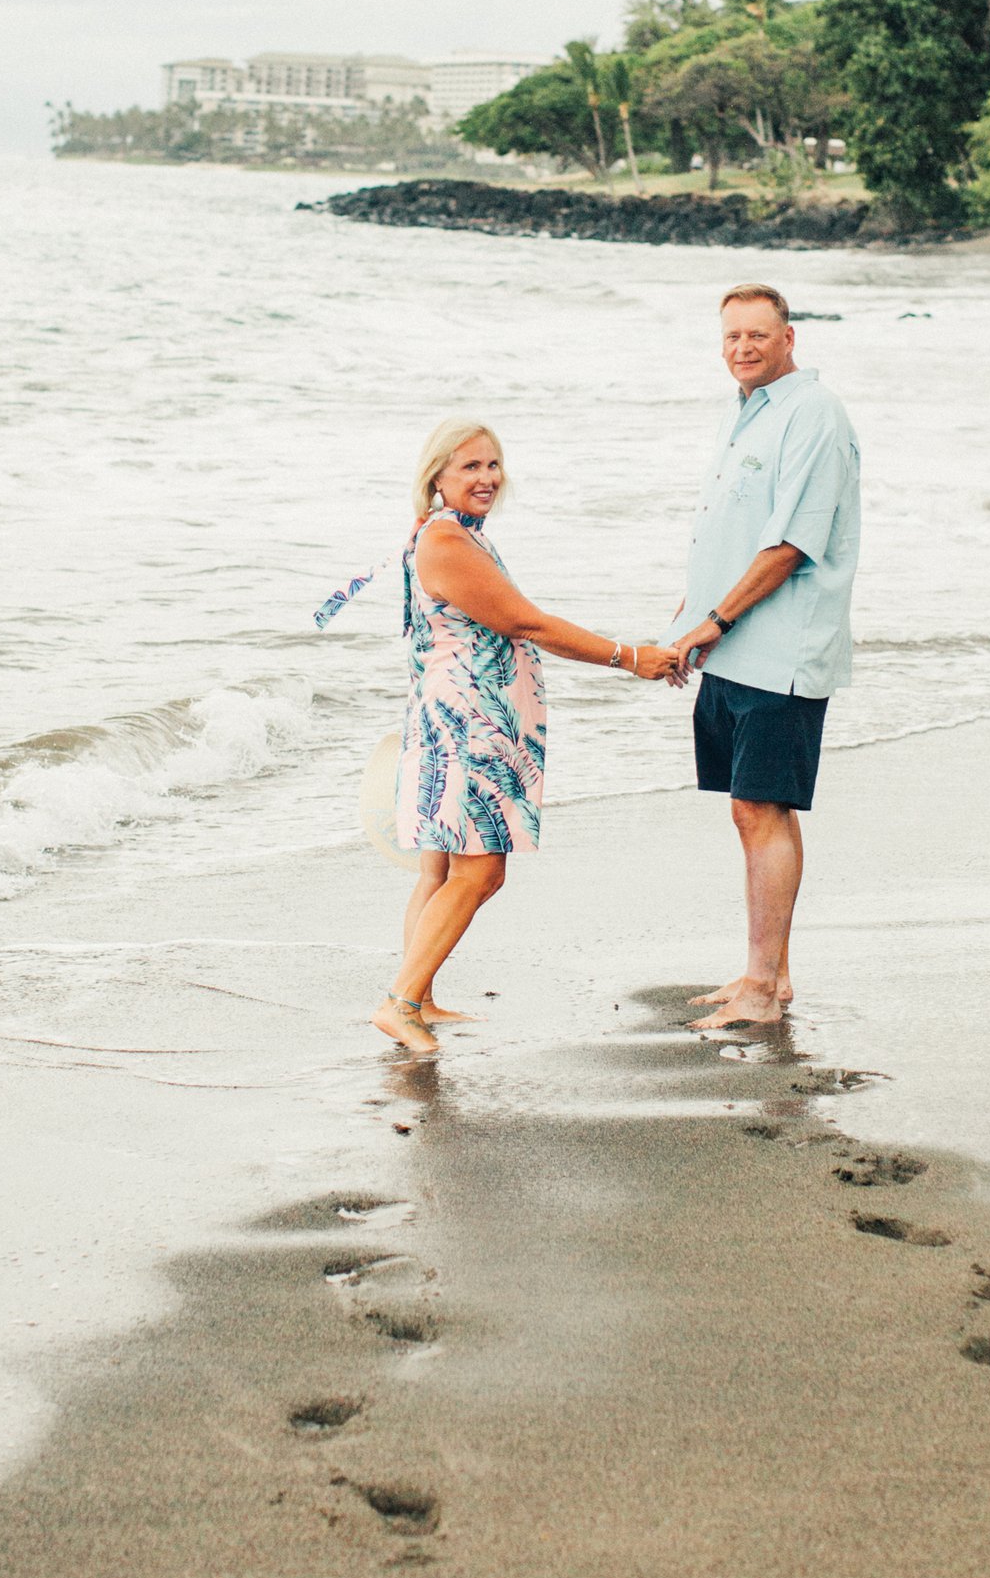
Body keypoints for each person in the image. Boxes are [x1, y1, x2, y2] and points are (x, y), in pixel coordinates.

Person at [320, 417, 682, 1056]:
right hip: (469, 730)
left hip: (454, 720)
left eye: (493, 466)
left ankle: (419, 997)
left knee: (440, 868)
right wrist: (630, 656)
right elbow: (527, 623)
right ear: (437, 477)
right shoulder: (447, 544)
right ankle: (399, 1003)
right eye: (470, 468)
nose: (487, 478)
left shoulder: (452, 534)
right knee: (481, 871)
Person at [668, 284, 860, 1028]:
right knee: (755, 810)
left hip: (780, 647)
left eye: (757, 334)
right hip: (731, 644)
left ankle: (759, 989)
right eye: (730, 337)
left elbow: (791, 544)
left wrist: (715, 617)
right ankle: (771, 975)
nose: (742, 348)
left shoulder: (814, 413)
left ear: (789, 338)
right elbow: (732, 524)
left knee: (761, 807)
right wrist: (691, 614)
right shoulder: (745, 412)